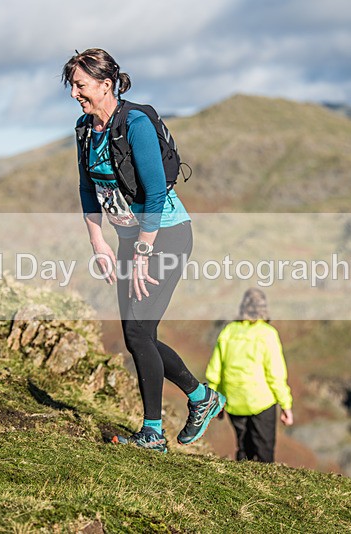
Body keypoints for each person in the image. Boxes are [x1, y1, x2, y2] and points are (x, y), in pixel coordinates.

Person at [61, 48, 224, 453]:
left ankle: (153, 432)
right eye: (72, 87)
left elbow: (153, 194)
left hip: (165, 236)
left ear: (106, 84)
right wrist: (98, 241)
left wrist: (144, 253)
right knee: (138, 335)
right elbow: (87, 189)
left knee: (137, 331)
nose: (75, 94)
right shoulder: (84, 129)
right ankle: (201, 398)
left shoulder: (135, 124)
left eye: (80, 86)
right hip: (129, 239)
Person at [205, 288, 294, 462]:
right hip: (261, 402)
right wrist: (286, 405)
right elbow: (275, 375)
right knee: (264, 451)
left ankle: (242, 484)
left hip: (234, 400)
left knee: (243, 448)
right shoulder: (267, 334)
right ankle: (265, 486)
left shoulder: (228, 331)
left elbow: (215, 371)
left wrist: (216, 400)